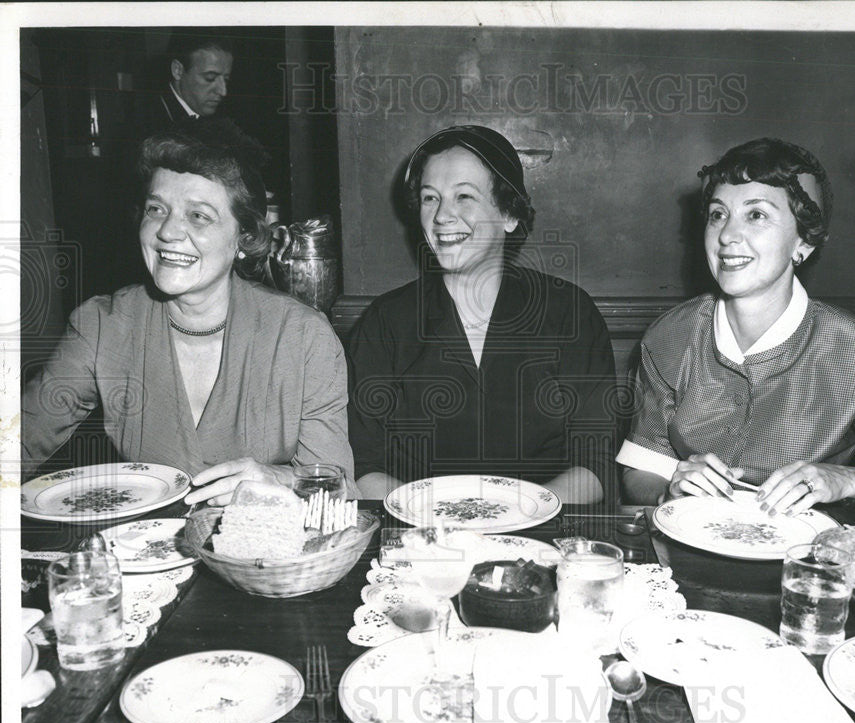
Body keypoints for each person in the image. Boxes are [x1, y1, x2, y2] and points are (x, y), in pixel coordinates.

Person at [618, 138, 855, 513]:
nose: (727, 235)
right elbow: (642, 469)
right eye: (718, 214)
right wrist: (670, 490)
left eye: (756, 215)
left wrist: (850, 479)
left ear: (804, 242)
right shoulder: (670, 336)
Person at [21, 118, 357, 506]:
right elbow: (17, 443)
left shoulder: (303, 338)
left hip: (263, 555)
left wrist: (277, 479)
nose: (167, 231)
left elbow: (341, 488)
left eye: (198, 215)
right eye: (156, 209)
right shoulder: (102, 326)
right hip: (140, 552)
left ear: (244, 238)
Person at [347, 125, 618, 504]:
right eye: (430, 198)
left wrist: (513, 513)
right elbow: (362, 469)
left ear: (509, 213)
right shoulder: (386, 322)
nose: (442, 216)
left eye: (464, 197)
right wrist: (444, 519)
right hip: (419, 540)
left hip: (542, 537)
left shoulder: (570, 314)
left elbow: (595, 468)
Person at [150, 30, 234, 127]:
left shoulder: (222, 119)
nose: (223, 92)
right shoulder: (148, 122)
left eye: (226, 80)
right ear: (177, 70)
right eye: (210, 78)